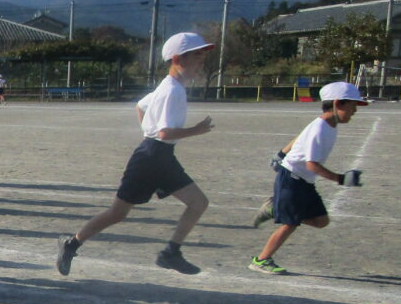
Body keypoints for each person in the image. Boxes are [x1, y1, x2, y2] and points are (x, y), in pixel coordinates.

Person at [56, 32, 215, 277]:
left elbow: (140, 106)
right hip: (151, 158)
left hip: (159, 156)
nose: (201, 64)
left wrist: (147, 131)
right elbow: (164, 133)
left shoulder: (170, 86)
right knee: (118, 213)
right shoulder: (173, 91)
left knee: (198, 203)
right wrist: (197, 130)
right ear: (177, 59)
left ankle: (171, 252)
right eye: (197, 57)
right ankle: (71, 243)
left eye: (202, 58)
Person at [248, 82, 367, 274]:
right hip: (292, 179)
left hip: (304, 181)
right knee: (291, 223)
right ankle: (261, 260)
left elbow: (300, 137)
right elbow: (312, 164)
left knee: (321, 221)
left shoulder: (327, 124)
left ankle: (275, 209)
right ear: (337, 103)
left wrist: (282, 152)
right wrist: (341, 179)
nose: (355, 111)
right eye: (352, 105)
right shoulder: (320, 128)